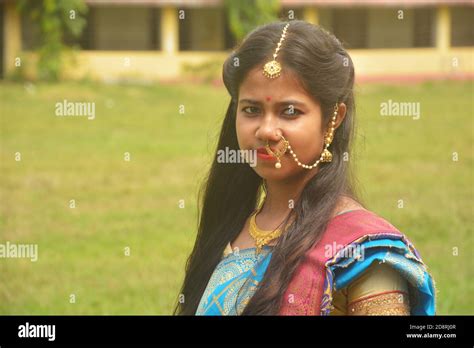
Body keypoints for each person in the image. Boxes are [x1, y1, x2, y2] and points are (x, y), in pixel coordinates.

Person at [174, 20, 436, 316]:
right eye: (251, 110)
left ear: (333, 118)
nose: (267, 130)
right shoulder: (230, 229)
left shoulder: (362, 255)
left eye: (290, 112)